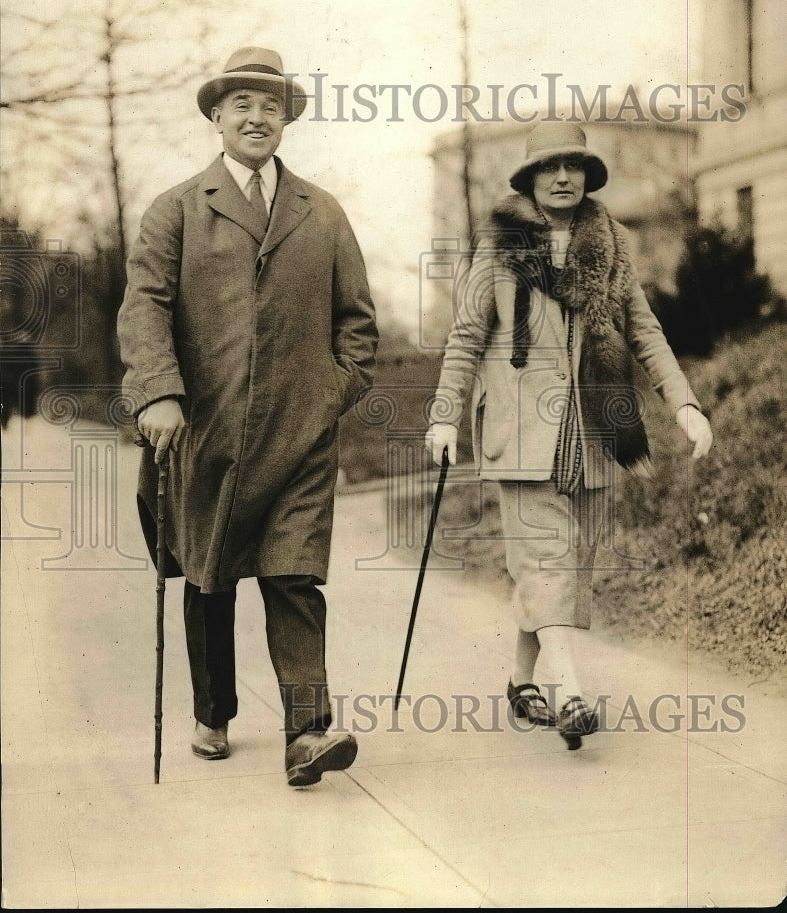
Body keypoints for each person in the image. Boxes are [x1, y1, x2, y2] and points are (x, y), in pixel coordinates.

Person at [117, 47, 378, 785]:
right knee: (209, 580)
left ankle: (308, 732)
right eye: (242, 105)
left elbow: (356, 325)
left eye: (272, 106)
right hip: (203, 432)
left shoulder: (320, 211)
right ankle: (213, 710)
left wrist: (328, 394)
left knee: (293, 576)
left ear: (287, 121)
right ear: (216, 117)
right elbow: (145, 308)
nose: (257, 117)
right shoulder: (176, 209)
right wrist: (159, 392)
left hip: (299, 436)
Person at [425, 121, 712, 750]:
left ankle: (521, 680)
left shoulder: (611, 249)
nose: (562, 178)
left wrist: (685, 403)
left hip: (591, 431)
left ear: (587, 178)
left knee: (564, 563)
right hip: (519, 432)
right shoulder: (498, 249)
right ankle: (570, 693)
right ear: (529, 180)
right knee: (545, 557)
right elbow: (466, 336)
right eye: (550, 168)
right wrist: (445, 415)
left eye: (574, 168)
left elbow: (644, 331)